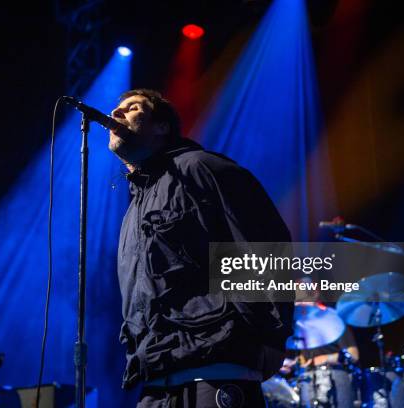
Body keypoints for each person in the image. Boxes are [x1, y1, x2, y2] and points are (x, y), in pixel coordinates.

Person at [109, 89, 293, 407]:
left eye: (132, 108)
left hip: (216, 370)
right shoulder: (134, 207)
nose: (116, 114)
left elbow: (267, 245)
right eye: (116, 109)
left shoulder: (201, 168)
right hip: (156, 382)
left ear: (162, 127)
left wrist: (273, 337)